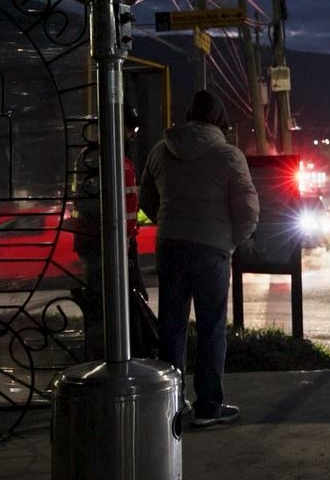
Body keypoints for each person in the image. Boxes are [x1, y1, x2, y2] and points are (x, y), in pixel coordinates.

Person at [138, 90, 259, 428]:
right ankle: (209, 406)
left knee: (172, 329)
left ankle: (171, 406)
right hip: (212, 251)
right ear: (220, 120)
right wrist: (231, 241)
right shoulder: (228, 155)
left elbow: (149, 199)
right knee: (211, 329)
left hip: (170, 246)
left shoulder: (160, 151)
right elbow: (248, 211)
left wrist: (169, 223)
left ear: (188, 114)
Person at [69, 105, 146, 359]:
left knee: (101, 301)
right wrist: (124, 241)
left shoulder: (86, 157)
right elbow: (113, 207)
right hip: (109, 243)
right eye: (131, 129)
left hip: (94, 241)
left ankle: (102, 350)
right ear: (118, 128)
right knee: (113, 302)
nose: (133, 135)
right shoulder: (115, 162)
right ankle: (112, 353)